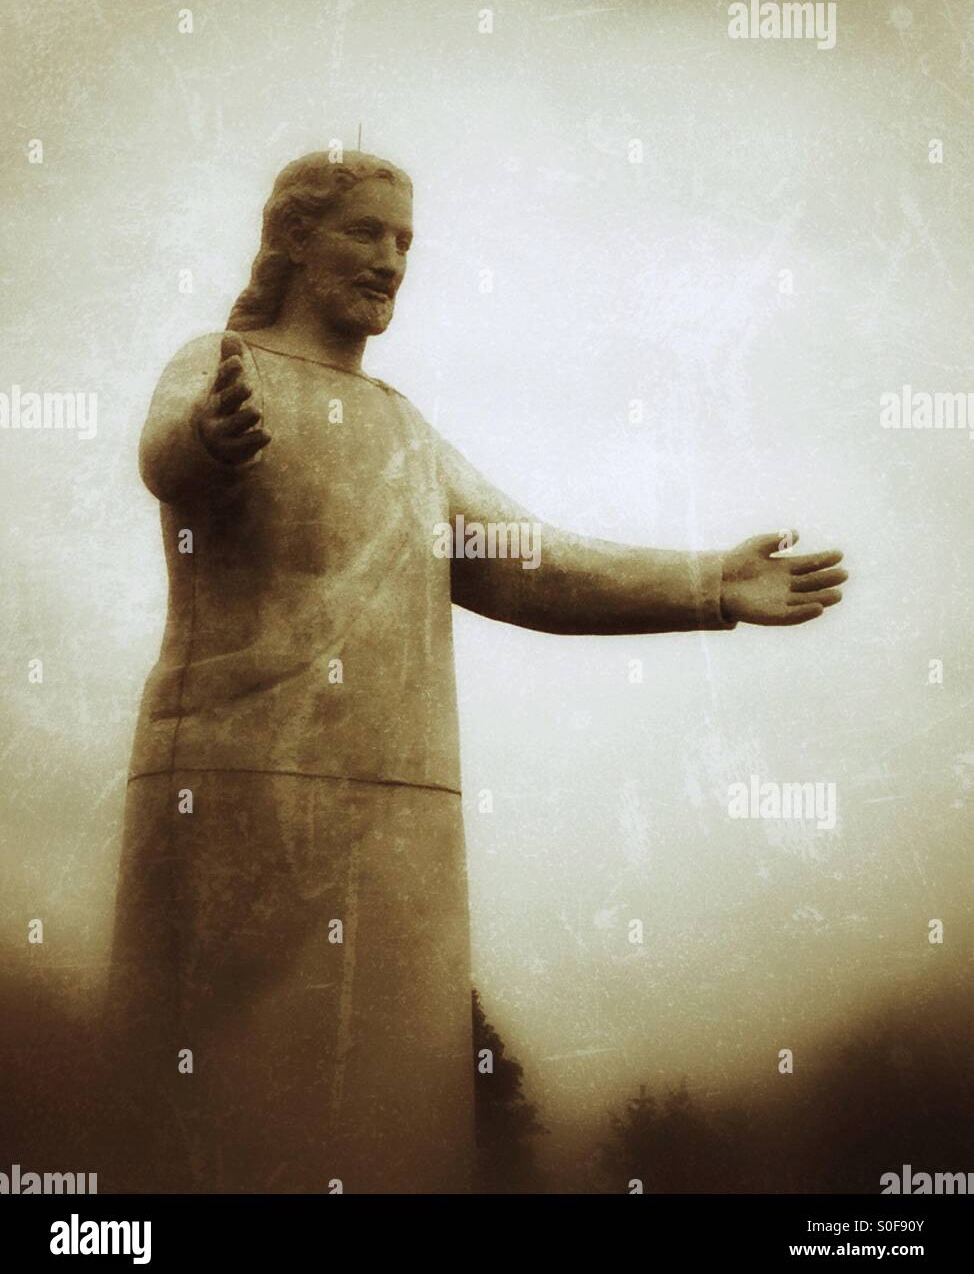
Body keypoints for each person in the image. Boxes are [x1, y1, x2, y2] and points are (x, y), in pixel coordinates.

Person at [106, 151, 847, 1193]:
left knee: (390, 1132)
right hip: (229, 783)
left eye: (405, 239)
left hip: (400, 810)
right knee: (208, 1120)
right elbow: (164, 457)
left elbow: (530, 565)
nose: (391, 260)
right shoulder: (219, 363)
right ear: (293, 242)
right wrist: (207, 437)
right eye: (367, 232)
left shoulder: (406, 432)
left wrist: (704, 584)